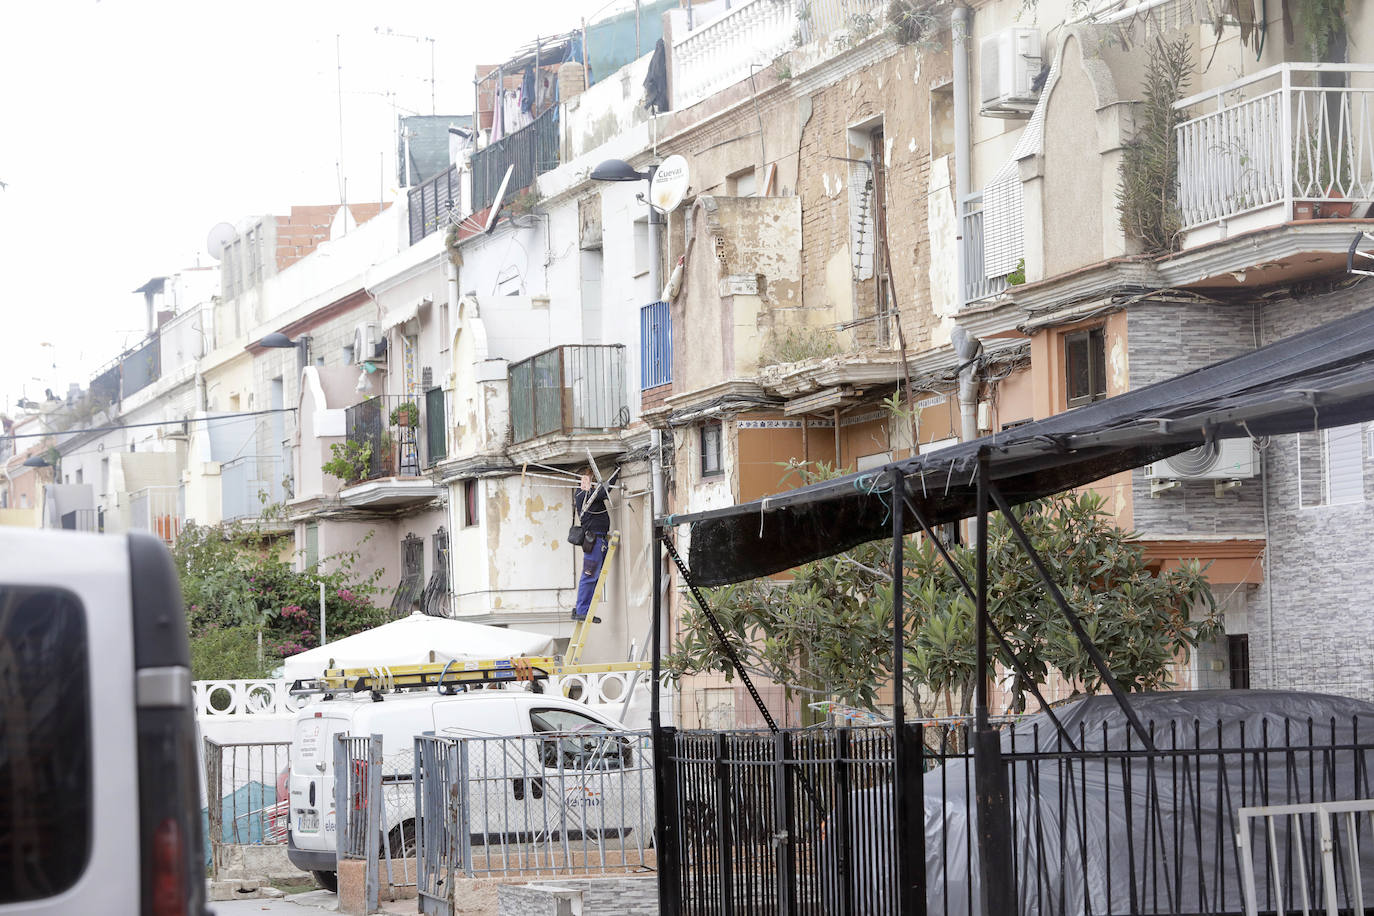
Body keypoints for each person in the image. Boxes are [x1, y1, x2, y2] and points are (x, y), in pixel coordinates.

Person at [571, 465, 616, 621]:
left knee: (593, 576)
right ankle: (582, 609)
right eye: (591, 478)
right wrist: (616, 472)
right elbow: (604, 492)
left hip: (598, 540)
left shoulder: (588, 494)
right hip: (594, 540)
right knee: (589, 576)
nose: (593, 481)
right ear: (583, 481)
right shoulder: (584, 494)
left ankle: (584, 608)